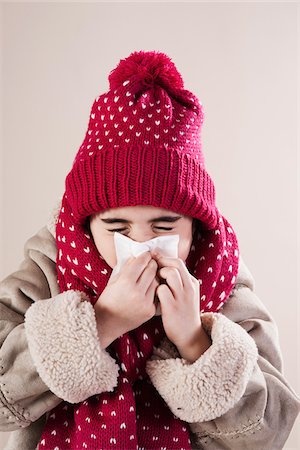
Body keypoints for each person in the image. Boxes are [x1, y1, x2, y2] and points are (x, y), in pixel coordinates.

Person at [0, 50, 299, 450]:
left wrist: (195, 340)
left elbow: (270, 432)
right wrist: (101, 321)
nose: (140, 244)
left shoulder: (223, 279)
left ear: (197, 225)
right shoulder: (51, 265)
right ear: (86, 223)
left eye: (164, 226)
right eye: (116, 227)